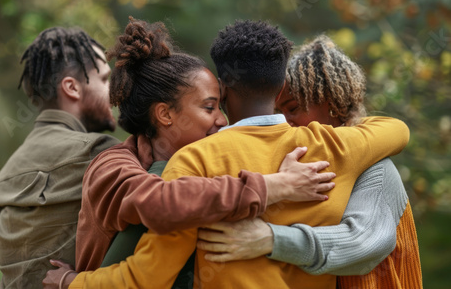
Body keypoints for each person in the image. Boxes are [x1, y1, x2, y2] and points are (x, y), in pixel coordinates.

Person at [49, 20, 410, 289]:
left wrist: (71, 283)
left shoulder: (195, 162)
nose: (217, 117)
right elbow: (397, 129)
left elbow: (148, 276)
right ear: (282, 82)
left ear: (224, 90)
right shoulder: (337, 146)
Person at [197, 35, 423, 288]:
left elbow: (364, 244)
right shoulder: (293, 157)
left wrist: (272, 240)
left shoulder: (376, 166)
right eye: (278, 111)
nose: (284, 121)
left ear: (332, 104)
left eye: (292, 109)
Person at [0, 27, 120, 288]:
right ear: (72, 87)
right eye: (105, 80)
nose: (114, 90)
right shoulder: (97, 151)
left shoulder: (5, 172)